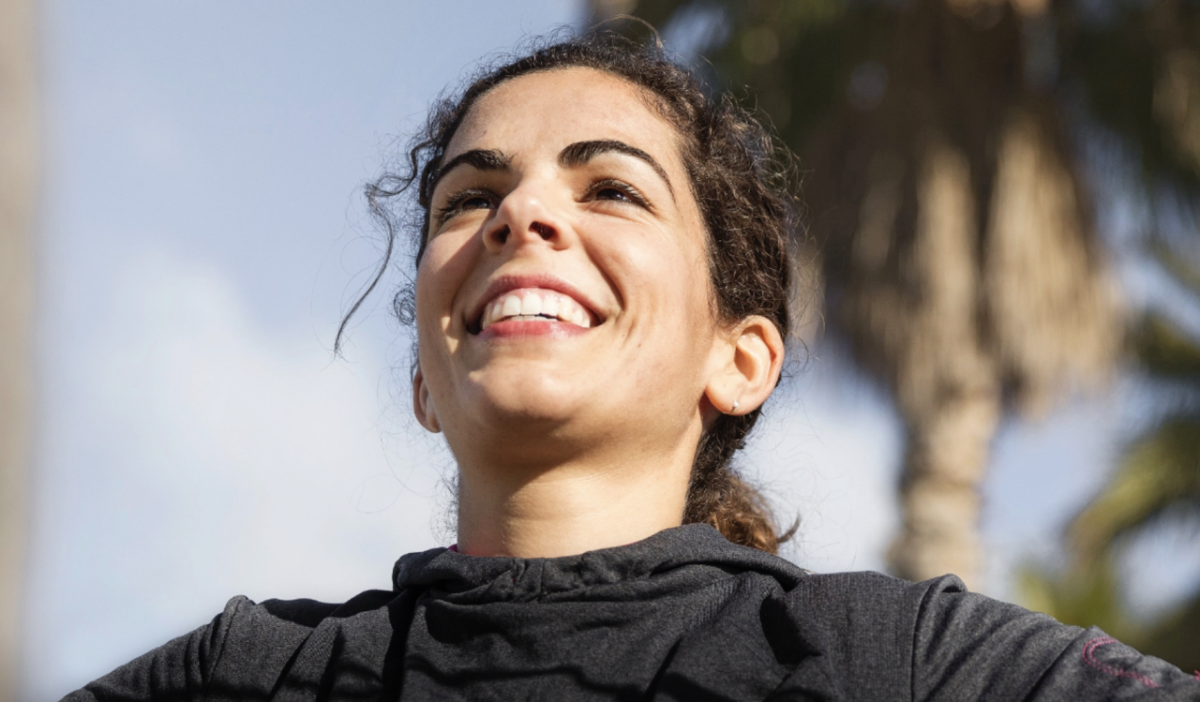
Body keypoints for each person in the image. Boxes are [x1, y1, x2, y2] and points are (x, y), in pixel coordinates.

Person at [66, 31, 1199, 701]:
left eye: (608, 186)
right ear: (424, 376)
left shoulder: (891, 663)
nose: (522, 214)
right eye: (472, 196)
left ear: (740, 357)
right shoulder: (258, 673)